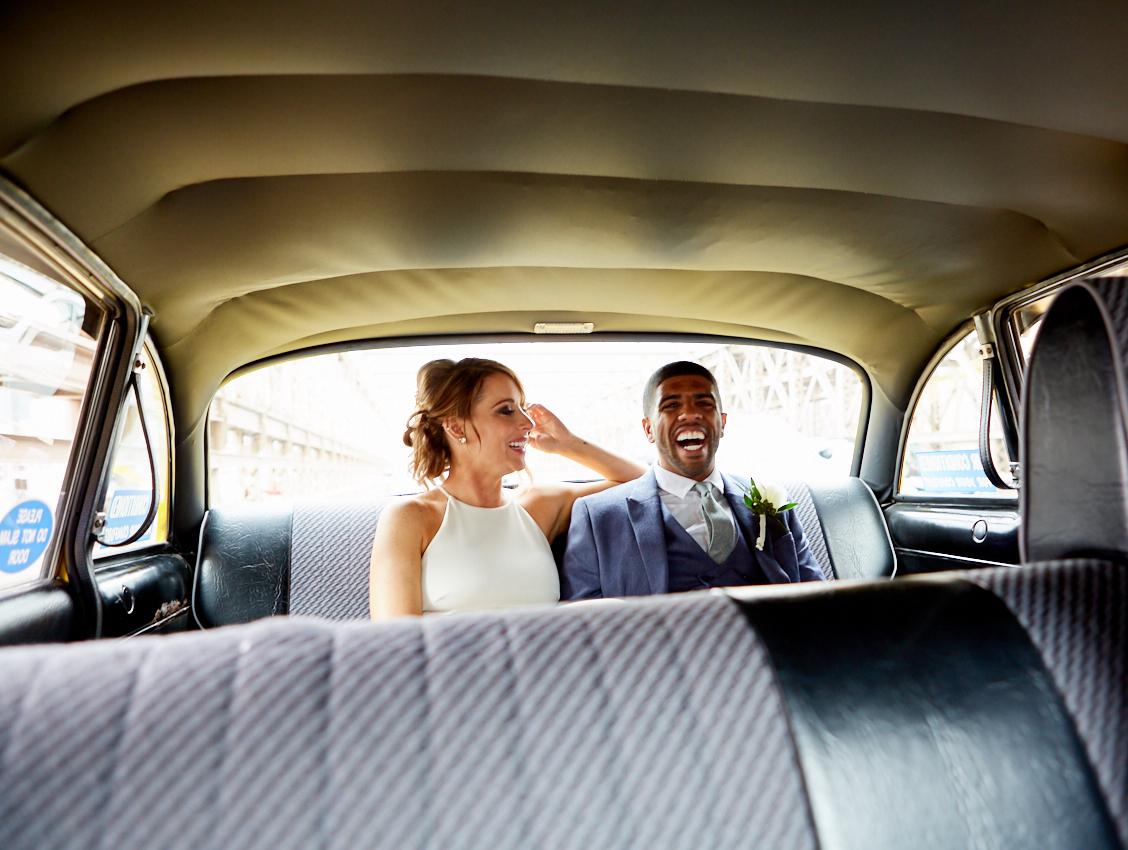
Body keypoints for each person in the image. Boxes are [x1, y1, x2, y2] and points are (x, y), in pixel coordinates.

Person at [369, 357, 646, 618]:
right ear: (456, 427)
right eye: (506, 410)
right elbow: (394, 640)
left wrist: (568, 444)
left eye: (523, 408)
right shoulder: (411, 517)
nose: (528, 423)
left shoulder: (537, 506)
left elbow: (642, 484)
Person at [560, 361, 824, 599]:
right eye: (671, 405)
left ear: (722, 423)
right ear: (649, 429)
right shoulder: (597, 516)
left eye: (704, 404)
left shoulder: (773, 503)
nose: (689, 414)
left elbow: (819, 597)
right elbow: (585, 621)